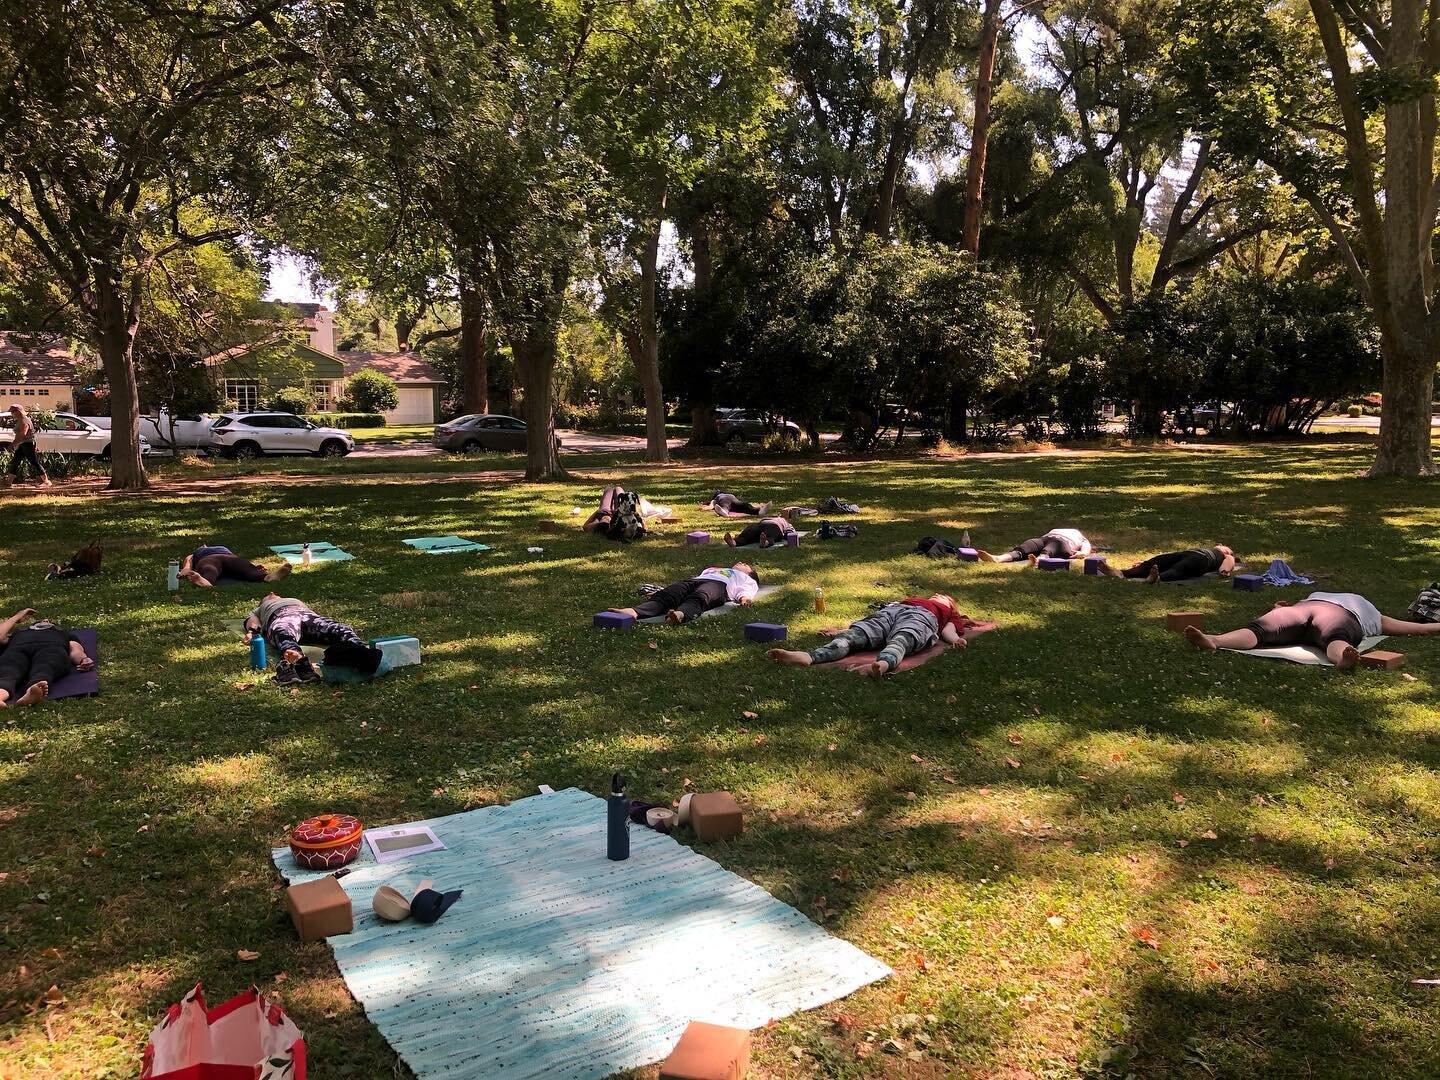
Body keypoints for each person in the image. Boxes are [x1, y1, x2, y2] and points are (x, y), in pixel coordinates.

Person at [1184, 591, 1440, 669]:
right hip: (1311, 610)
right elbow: (1421, 629)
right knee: (1264, 628)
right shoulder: (1374, 613)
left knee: (1262, 630)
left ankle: (1216, 640)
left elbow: (1421, 628)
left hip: (1317, 611)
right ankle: (1213, 640)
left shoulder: (1380, 618)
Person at [769, 594, 970, 677]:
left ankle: (884, 664)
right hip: (892, 612)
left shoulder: (946, 611)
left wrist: (956, 640)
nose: (937, 595)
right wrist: (841, 630)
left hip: (921, 618)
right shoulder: (911, 599)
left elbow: (947, 630)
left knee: (902, 638)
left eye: (943, 596)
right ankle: (809, 656)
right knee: (855, 635)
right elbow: (873, 617)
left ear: (951, 605)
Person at [243, 593, 382, 685]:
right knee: (282, 632)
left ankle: (358, 649)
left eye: (275, 593)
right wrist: (252, 631)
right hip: (281, 616)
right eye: (268, 595)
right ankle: (297, 659)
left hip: (308, 616)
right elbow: (252, 621)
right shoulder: (260, 608)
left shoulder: (294, 600)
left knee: (340, 629)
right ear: (264, 601)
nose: (272, 593)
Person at [608, 563, 760, 625]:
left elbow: (746, 591)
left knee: (700, 597)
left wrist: (745, 599)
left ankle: (680, 615)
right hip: (695, 580)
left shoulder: (746, 578)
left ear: (750, 573)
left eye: (746, 565)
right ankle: (634, 611)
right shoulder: (717, 568)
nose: (741, 563)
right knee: (669, 594)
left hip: (719, 586)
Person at [0, 608, 93, 706]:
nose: (45, 620)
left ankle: (32, 692)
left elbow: (75, 649)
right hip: (17, 649)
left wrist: (83, 659)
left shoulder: (63, 633)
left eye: (50, 622)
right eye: (40, 621)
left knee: (45, 666)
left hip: (51, 648)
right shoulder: (18, 633)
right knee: (7, 671)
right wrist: (17, 616)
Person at [1101, 544, 1236, 582]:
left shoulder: (1225, 555)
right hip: (1185, 554)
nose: (1221, 545)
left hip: (1202, 561)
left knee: (1181, 567)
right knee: (1158, 560)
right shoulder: (1208, 549)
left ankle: (1158, 578)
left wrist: (1224, 571)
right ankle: (1120, 573)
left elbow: (1228, 563)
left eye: (1225, 546)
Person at [180, 544, 291, 587]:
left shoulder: (223, 549)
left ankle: (268, 577)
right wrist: (185, 569)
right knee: (210, 568)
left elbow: (238, 563)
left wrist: (253, 566)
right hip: (212, 558)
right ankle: (266, 577)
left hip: (227, 558)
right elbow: (189, 560)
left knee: (243, 568)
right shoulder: (198, 552)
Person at [583, 485, 672, 535]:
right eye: (606, 521)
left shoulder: (598, 524)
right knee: (618, 489)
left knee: (609, 490)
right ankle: (617, 489)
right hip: (619, 511)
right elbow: (644, 528)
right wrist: (640, 518)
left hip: (603, 511)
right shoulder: (617, 523)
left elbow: (585, 526)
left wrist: (596, 513)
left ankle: (611, 489)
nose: (606, 520)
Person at [978, 528, 1091, 565]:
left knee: (1049, 549)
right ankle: (998, 558)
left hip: (1063, 543)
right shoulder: (1054, 530)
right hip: (1044, 538)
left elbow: (1086, 546)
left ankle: (1038, 561)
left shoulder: (1080, 536)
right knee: (1023, 548)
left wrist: (1084, 553)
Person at [4, 404, 50, 487]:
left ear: (18, 412)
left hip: (28, 444)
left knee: (34, 462)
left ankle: (46, 481)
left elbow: (22, 434)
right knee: (15, 461)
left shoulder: (24, 421)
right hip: (22, 444)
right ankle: (9, 482)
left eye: (12, 412)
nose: (11, 414)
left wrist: (13, 444)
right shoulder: (20, 420)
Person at [725, 513, 798, 548]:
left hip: (774, 526)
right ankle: (734, 542)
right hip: (761, 525)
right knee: (750, 531)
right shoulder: (769, 518)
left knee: (770, 534)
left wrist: (787, 537)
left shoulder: (785, 521)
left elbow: (791, 531)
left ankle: (765, 542)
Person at [700, 492, 771, 518]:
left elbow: (710, 506)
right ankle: (759, 511)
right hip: (735, 500)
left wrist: (704, 508)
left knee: (726, 506)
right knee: (745, 506)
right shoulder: (729, 495)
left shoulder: (716, 498)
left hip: (727, 501)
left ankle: (723, 512)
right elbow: (711, 506)